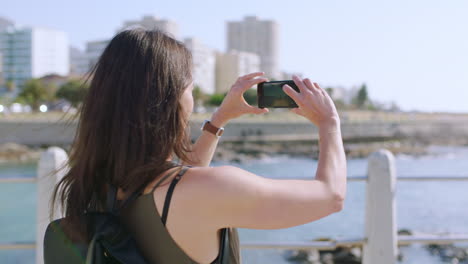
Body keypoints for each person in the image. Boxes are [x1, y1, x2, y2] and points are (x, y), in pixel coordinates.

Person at [51, 29, 347, 264]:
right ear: (171, 100)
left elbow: (180, 182)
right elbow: (330, 196)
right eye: (190, 88)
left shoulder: (94, 184)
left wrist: (220, 119)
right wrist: (329, 124)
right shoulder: (210, 189)